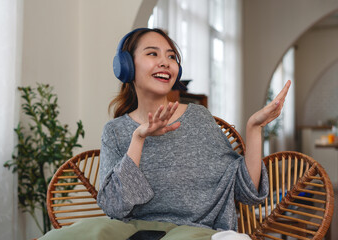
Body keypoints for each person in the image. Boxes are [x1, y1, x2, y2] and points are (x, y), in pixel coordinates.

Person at [40, 28, 291, 240]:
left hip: (192, 232)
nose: (165, 61)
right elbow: (114, 207)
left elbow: (246, 190)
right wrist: (139, 138)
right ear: (126, 67)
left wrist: (254, 128)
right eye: (153, 54)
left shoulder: (198, 118)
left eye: (171, 56)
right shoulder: (115, 131)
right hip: (131, 231)